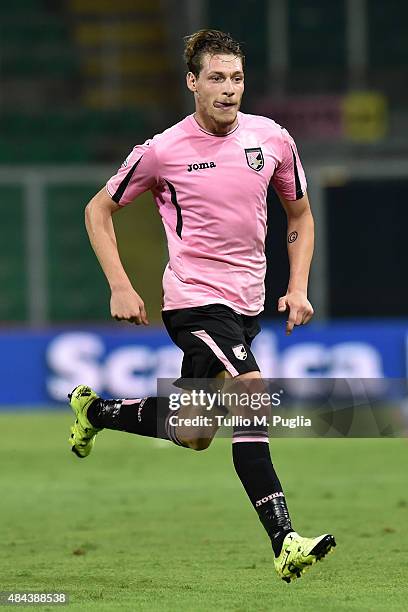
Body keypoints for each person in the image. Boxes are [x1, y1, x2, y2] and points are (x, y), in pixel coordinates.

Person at [68, 29, 335, 582]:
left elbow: (301, 215)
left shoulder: (272, 140)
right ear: (192, 83)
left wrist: (299, 285)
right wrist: (120, 283)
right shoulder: (162, 151)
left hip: (246, 304)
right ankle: (285, 540)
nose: (229, 88)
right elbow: (98, 211)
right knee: (252, 393)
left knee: (193, 432)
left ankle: (94, 411)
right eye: (216, 77)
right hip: (193, 300)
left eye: (237, 78)